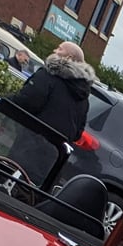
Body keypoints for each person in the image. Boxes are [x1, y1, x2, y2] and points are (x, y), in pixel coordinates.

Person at [10, 40, 95, 182]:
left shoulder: (47, 76)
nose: (55, 50)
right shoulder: (84, 98)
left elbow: (26, 102)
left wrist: (4, 101)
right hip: (53, 161)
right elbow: (77, 133)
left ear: (68, 58)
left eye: (59, 49)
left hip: (28, 150)